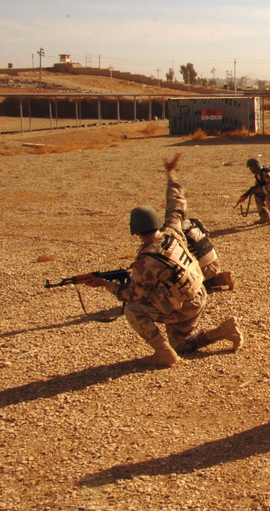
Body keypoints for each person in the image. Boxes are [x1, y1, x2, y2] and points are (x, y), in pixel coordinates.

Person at [80, 154, 242, 367]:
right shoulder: (173, 232)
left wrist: (104, 284)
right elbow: (176, 203)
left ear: (135, 231)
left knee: (132, 310)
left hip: (184, 305)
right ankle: (223, 331)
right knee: (182, 344)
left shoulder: (144, 262)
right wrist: (171, 174)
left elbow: (131, 295)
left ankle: (163, 353)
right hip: (198, 295)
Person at [182, 217, 235, 292]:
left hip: (203, 266)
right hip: (214, 259)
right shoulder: (194, 221)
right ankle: (217, 275)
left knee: (196, 285)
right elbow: (207, 234)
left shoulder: (176, 229)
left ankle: (220, 278)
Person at [237, 158, 270, 224]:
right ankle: (264, 217)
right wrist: (245, 195)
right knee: (258, 195)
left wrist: (260, 190)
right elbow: (257, 186)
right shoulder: (258, 174)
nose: (250, 170)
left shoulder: (267, 173)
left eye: (251, 167)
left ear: (256, 166)